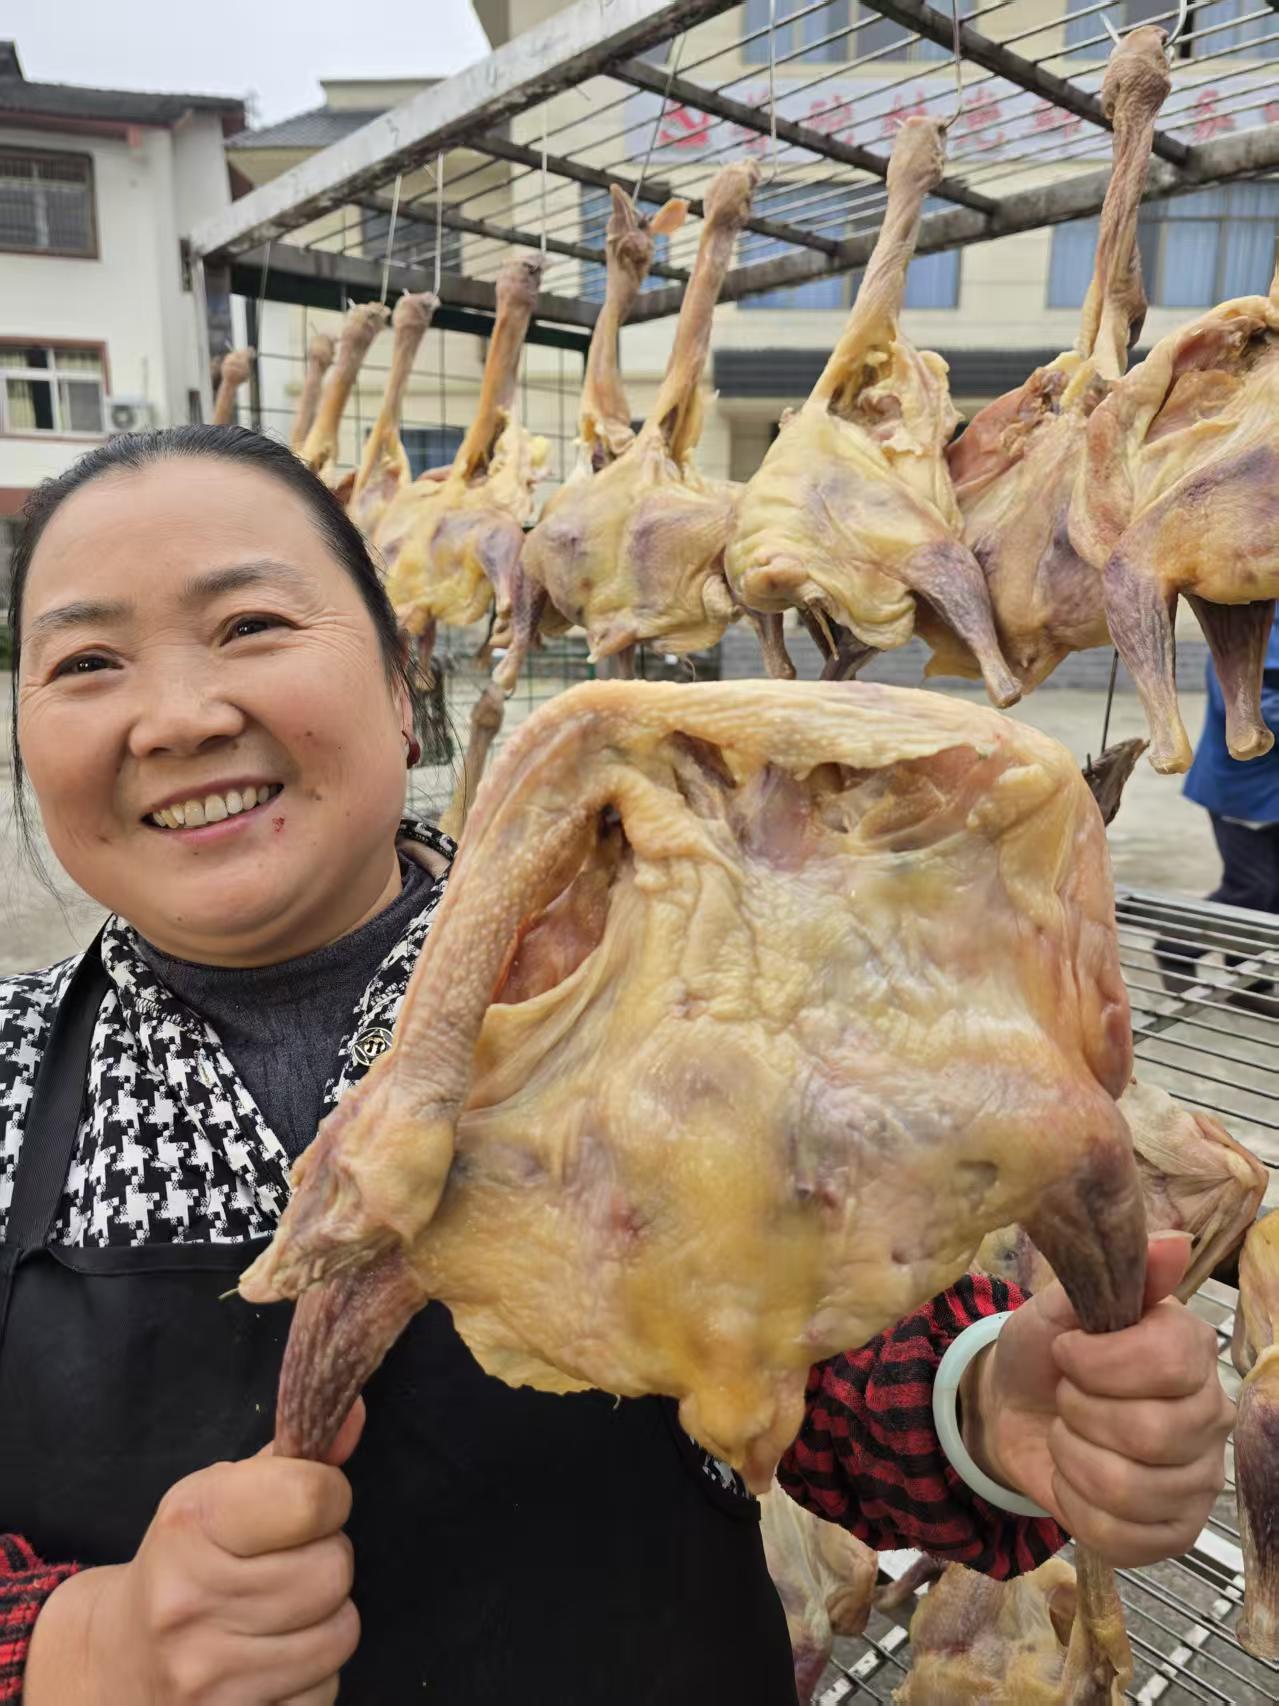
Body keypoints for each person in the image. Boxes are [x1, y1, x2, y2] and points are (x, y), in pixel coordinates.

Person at [0, 428, 1231, 1704]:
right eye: (87, 660)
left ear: (395, 675)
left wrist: (995, 1409)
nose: (183, 716)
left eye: (250, 624)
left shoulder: (688, 965)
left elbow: (844, 1357)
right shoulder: (8, 1075)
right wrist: (84, 1644)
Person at [1157, 613, 1279, 1003]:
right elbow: (1249, 708)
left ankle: (1248, 981)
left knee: (1272, 894)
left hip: (1271, 789)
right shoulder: (1250, 630)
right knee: (1252, 888)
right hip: (1244, 789)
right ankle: (1176, 948)